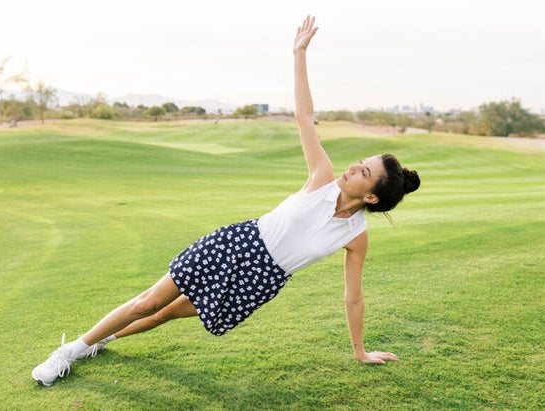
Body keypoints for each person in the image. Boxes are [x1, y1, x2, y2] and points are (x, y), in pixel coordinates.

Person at [32, 16, 420, 387]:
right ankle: (68, 351)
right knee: (148, 301)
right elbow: (304, 116)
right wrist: (299, 54)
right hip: (237, 243)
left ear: (370, 196)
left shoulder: (355, 235)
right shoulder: (322, 178)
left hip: (262, 279)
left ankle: (100, 341)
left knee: (167, 314)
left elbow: (353, 298)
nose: (353, 167)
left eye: (363, 172)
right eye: (360, 162)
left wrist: (360, 352)